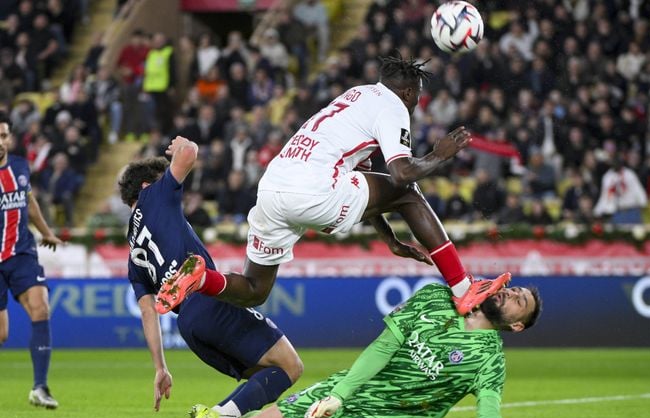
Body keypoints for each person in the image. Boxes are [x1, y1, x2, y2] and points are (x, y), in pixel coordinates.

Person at [156, 54, 491, 317]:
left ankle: (201, 279)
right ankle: (463, 289)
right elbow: (401, 176)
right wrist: (439, 155)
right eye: (416, 98)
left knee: (255, 290)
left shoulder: (356, 96)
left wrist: (389, 238)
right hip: (314, 189)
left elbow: (367, 185)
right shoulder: (393, 106)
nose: (416, 105)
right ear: (406, 92)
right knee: (409, 194)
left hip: (272, 188)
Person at [189, 279, 542, 418]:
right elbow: (383, 348)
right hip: (349, 389)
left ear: (517, 327)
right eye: (512, 290)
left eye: (519, 301)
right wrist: (339, 395)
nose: (510, 294)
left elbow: (489, 408)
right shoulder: (436, 297)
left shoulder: (490, 359)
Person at [118, 136, 303, 418]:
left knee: (267, 372)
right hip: (206, 301)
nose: (172, 186)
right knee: (291, 365)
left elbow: (147, 311)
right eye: (162, 180)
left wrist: (160, 367)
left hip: (190, 327)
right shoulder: (154, 197)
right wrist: (180, 145)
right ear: (144, 187)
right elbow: (190, 153)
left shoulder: (132, 255)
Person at [0, 115, 64, 408]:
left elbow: (30, 201)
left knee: (40, 308)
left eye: (3, 136)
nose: (0, 142)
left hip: (21, 254)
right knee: (2, 333)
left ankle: (40, 387)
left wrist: (46, 232)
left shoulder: (19, 166)